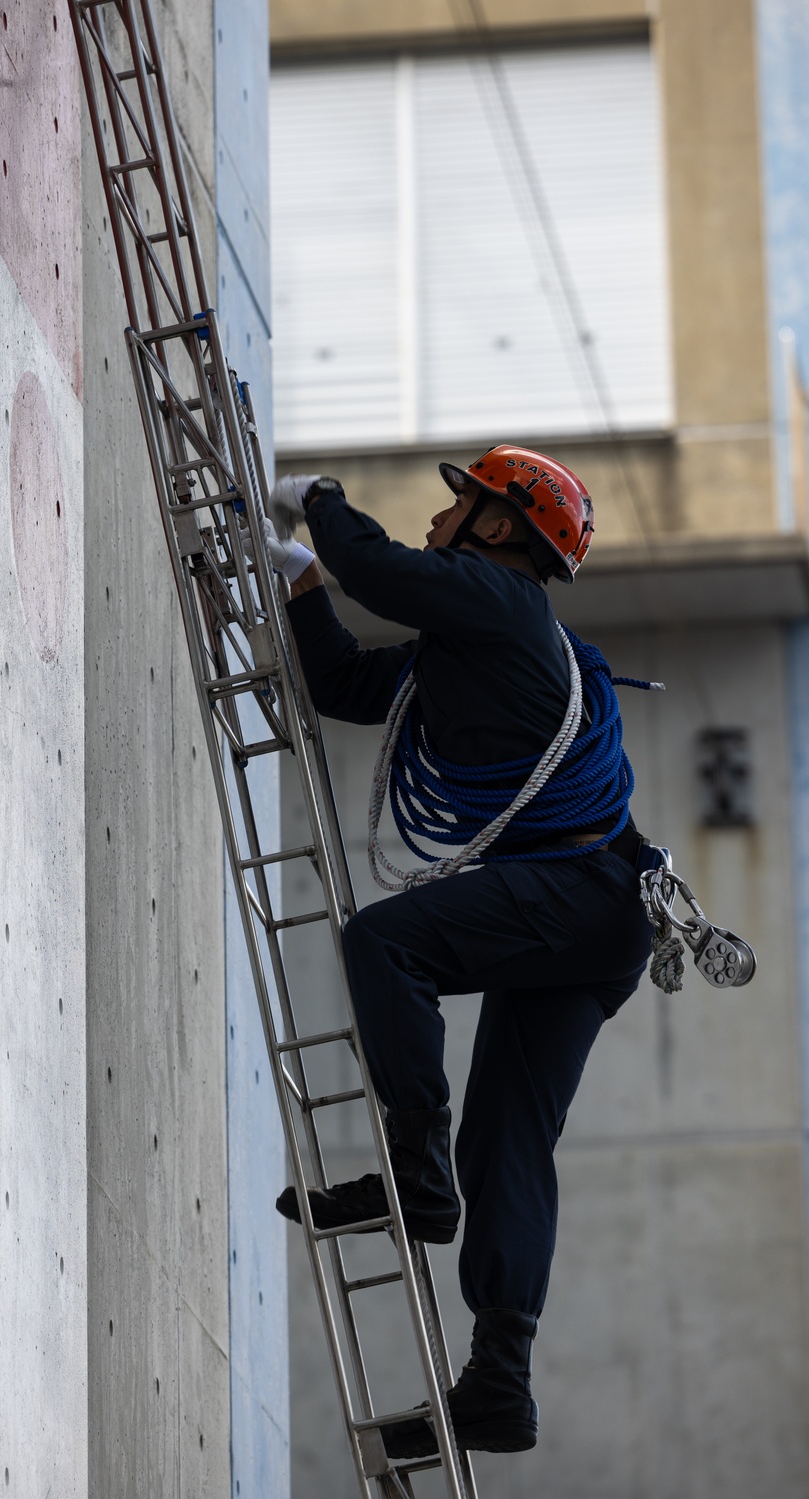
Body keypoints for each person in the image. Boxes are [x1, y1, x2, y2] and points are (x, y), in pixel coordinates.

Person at [264, 447, 655, 1458]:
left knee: (386, 942)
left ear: (493, 530)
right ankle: (499, 1380)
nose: (440, 517)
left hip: (583, 887)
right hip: (596, 912)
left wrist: (320, 502)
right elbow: (349, 684)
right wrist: (299, 579)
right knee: (510, 1143)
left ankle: (414, 1168)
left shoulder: (501, 604)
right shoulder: (471, 643)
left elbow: (385, 569)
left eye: (459, 504)